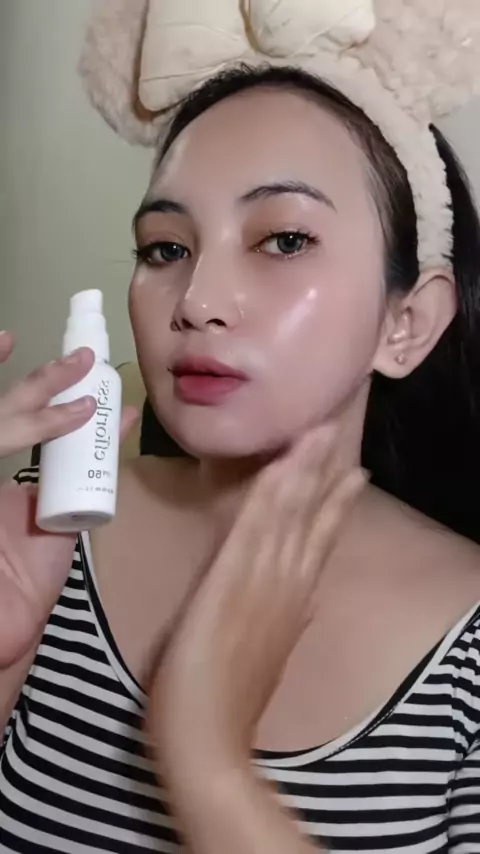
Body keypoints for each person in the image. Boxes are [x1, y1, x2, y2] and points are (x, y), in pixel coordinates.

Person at [2, 2, 480, 852]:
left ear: (406, 323)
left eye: (284, 239)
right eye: (165, 248)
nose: (196, 302)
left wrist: (211, 766)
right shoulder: (45, 534)